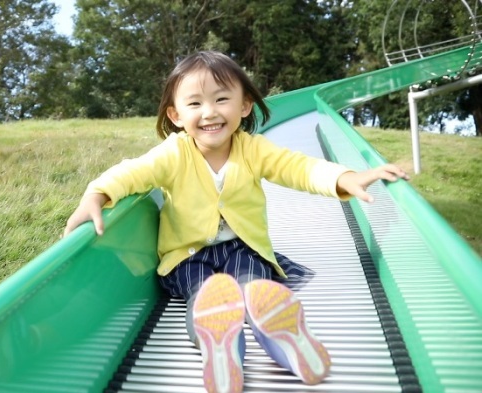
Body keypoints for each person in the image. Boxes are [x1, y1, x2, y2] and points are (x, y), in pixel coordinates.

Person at [63, 51, 409, 392]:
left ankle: (285, 339)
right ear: (176, 115)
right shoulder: (174, 152)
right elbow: (133, 172)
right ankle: (220, 348)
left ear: (244, 106)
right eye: (195, 104)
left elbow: (299, 167)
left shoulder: (254, 148)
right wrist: (97, 194)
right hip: (187, 255)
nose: (210, 112)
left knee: (253, 290)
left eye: (222, 99)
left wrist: (344, 178)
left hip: (244, 246)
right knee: (204, 297)